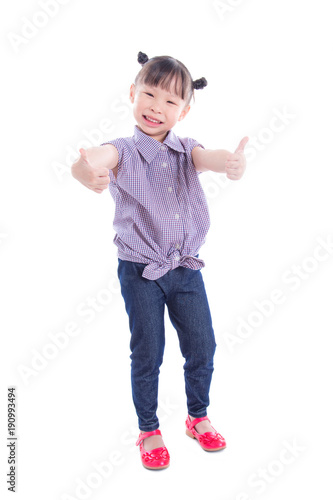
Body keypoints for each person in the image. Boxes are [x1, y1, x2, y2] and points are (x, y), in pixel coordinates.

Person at [71, 51, 248, 470]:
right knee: (148, 351)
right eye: (148, 94)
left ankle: (197, 417)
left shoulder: (188, 149)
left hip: (185, 267)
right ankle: (148, 428)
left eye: (170, 101)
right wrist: (84, 171)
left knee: (203, 345)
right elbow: (93, 160)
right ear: (133, 94)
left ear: (184, 110)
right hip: (141, 271)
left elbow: (212, 158)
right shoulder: (122, 151)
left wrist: (231, 163)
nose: (156, 107)